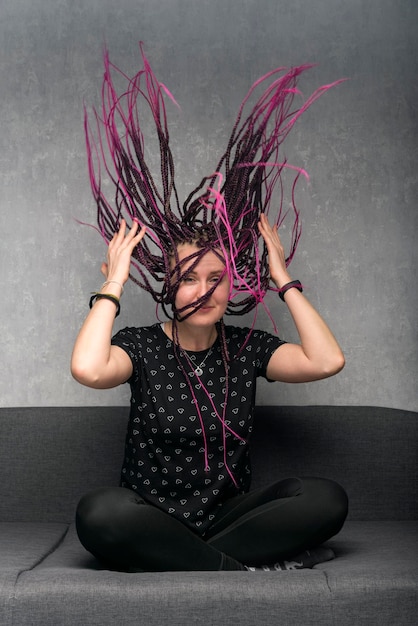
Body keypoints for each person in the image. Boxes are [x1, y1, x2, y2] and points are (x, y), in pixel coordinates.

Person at [71, 46, 348, 572]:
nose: (203, 291)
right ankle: (237, 568)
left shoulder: (246, 347)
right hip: (148, 517)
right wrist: (112, 282)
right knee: (99, 513)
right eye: (188, 278)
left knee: (324, 498)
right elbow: (87, 368)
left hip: (230, 517)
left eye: (216, 278)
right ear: (168, 286)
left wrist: (283, 279)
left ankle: (197, 562)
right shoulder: (141, 346)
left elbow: (327, 361)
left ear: (234, 282)